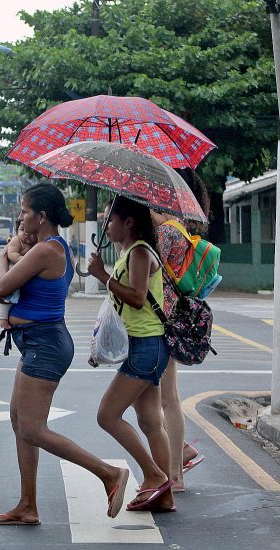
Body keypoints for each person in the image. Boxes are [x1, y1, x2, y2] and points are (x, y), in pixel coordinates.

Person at [0, 183, 129, 526]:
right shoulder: (51, 248)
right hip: (39, 342)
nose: (21, 217)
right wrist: (14, 253)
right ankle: (27, 505)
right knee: (19, 422)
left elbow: (2, 289)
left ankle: (109, 474)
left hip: (45, 344)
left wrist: (2, 258)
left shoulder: (46, 250)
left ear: (42, 216)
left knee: (33, 429)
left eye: (25, 211)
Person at [88, 197, 175, 513]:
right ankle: (165, 495)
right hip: (142, 345)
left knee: (107, 415)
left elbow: (137, 299)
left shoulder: (139, 252)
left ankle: (154, 475)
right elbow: (122, 309)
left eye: (111, 219)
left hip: (146, 347)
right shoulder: (129, 252)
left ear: (128, 222)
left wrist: (102, 275)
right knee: (151, 422)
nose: (106, 224)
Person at [151, 209, 205, 491]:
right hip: (168, 317)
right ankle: (177, 460)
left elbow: (145, 264)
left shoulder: (166, 232)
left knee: (167, 398)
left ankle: (175, 473)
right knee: (164, 397)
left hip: (162, 318)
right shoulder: (178, 227)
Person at [0, 221, 37, 329]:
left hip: (26, 274)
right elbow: (11, 254)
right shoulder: (16, 241)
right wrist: (24, 260)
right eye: (22, 230)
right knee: (8, 296)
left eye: (31, 232)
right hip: (13, 271)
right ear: (17, 231)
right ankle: (2, 317)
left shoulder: (37, 244)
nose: (26, 233)